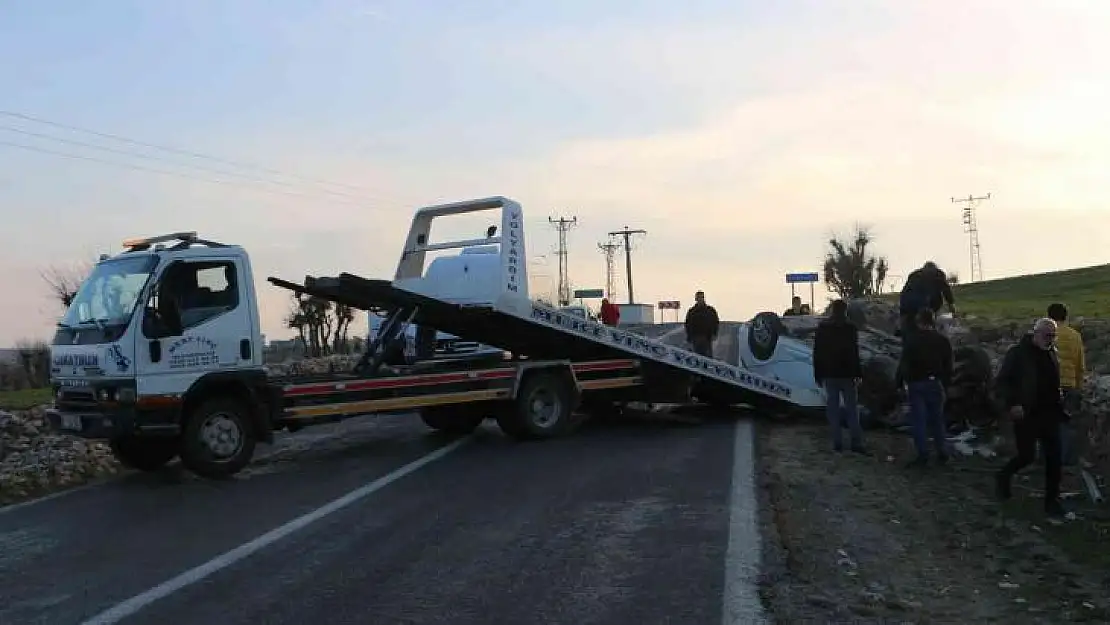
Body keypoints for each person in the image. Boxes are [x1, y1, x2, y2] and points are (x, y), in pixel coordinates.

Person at [994, 318, 1067, 518]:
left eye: (1053, 336)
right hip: (1027, 415)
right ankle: (1003, 476)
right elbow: (1001, 383)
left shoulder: (1052, 353)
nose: (1050, 340)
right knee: (1026, 456)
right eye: (1046, 335)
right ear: (1035, 333)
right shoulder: (1017, 354)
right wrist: (1012, 404)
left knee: (1055, 459)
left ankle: (1052, 501)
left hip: (1050, 414)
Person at [895, 308, 954, 467]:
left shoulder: (912, 340)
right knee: (937, 420)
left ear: (919, 322)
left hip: (916, 384)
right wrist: (946, 384)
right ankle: (942, 452)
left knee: (919, 421)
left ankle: (923, 455)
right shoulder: (942, 341)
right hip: (935, 383)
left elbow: (904, 364)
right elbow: (949, 365)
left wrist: (899, 383)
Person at [812, 299, 867, 454]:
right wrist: (858, 373)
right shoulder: (850, 328)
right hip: (848, 374)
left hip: (830, 374)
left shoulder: (823, 328)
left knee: (833, 409)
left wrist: (817, 374)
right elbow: (854, 353)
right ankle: (856, 443)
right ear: (845, 311)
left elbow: (817, 353)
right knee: (852, 409)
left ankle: (837, 443)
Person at [1048, 303, 1085, 466]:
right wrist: (1079, 385)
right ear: (1066, 316)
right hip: (1069, 384)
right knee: (1065, 422)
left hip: (1048, 385)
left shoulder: (1046, 333)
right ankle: (1063, 459)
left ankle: (1047, 458)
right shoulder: (1075, 336)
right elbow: (1080, 364)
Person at [898, 261, 956, 339]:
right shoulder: (937, 275)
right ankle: (927, 328)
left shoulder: (914, 275)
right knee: (925, 311)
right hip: (921, 302)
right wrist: (951, 305)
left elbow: (904, 293)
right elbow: (946, 290)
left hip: (908, 302)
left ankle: (905, 330)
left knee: (909, 321)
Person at [684, 291, 720, 358]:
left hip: (707, 338)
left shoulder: (710, 310)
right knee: (697, 358)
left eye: (701, 297)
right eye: (699, 297)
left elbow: (716, 322)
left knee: (707, 359)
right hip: (696, 338)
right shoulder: (692, 311)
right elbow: (687, 324)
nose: (700, 299)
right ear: (696, 299)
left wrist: (714, 333)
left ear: (704, 298)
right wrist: (689, 337)